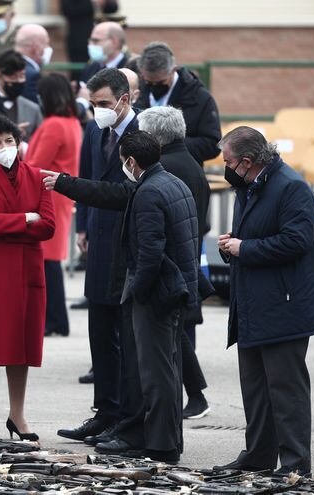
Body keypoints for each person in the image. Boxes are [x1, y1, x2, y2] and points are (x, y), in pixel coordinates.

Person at [214, 126, 314, 476]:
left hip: (285, 305)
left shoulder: (290, 187)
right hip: (254, 302)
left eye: (229, 162)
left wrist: (244, 247)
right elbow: (258, 234)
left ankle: (295, 464)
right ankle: (258, 456)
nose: (225, 168)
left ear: (248, 161)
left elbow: (297, 242)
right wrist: (233, 243)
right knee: (255, 388)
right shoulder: (251, 185)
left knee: (285, 390)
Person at [55, 68, 137, 443]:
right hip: (100, 239)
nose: (97, 111)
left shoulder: (142, 134)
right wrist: (84, 226)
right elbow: (88, 176)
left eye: (104, 104)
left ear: (125, 100)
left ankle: (126, 416)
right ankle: (104, 411)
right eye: (92, 104)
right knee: (99, 331)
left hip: (128, 242)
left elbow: (125, 190)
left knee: (125, 334)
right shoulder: (94, 130)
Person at [0, 113, 55, 440]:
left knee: (22, 347)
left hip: (25, 271)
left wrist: (3, 220)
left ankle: (17, 415)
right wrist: (24, 219)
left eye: (9, 141)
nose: (5, 148)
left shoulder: (38, 176)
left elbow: (47, 226)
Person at [111, 130, 198, 463]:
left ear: (132, 162)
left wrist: (138, 291)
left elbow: (150, 251)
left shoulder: (148, 192)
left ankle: (161, 446)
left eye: (124, 163)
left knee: (156, 373)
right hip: (177, 289)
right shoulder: (175, 183)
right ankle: (169, 441)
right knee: (169, 368)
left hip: (157, 294)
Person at [137, 106, 212, 419]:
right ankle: (195, 395)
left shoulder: (166, 168)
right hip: (184, 256)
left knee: (171, 333)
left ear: (154, 137)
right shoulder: (189, 163)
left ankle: (195, 397)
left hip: (171, 263)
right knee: (175, 333)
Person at [25, 73, 81, 337]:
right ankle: (56, 319)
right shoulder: (71, 122)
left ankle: (54, 320)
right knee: (51, 259)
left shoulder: (54, 124)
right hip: (58, 195)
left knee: (47, 260)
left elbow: (36, 164)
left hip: (46, 195)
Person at [135, 42, 221, 166]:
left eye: (160, 82)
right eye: (148, 82)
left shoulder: (199, 98)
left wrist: (169, 145)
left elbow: (212, 144)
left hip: (181, 172)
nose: (153, 87)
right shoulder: (138, 91)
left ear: (174, 70)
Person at [0, 50, 43, 145]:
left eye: (22, 76)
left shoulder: (32, 109)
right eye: (13, 77)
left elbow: (40, 143)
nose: (19, 81)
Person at [14, 24, 52, 103]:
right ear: (36, 47)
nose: (48, 48)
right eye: (46, 44)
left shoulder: (5, 66)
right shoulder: (31, 75)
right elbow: (35, 110)